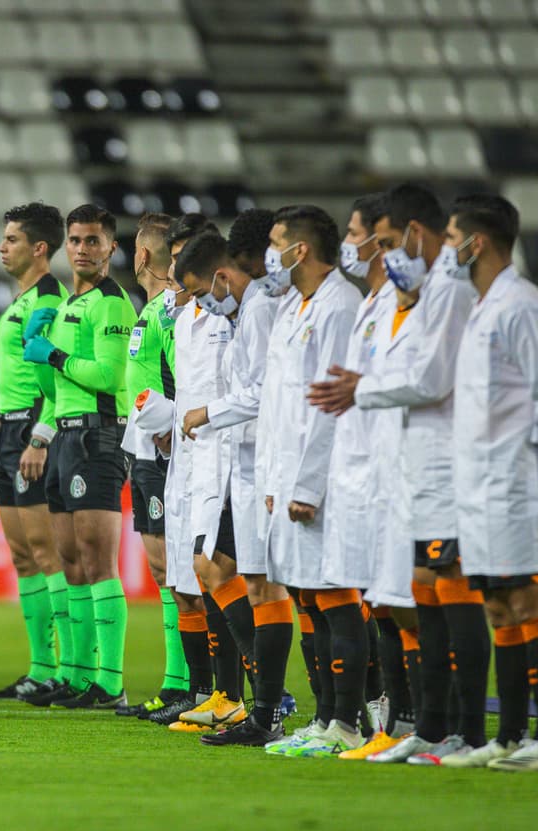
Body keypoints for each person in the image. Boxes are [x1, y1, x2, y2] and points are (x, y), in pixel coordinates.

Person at [311, 183, 479, 764]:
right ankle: (424, 726)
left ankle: (457, 727)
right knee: (401, 596)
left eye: (380, 240)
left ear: (412, 233)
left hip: (436, 467)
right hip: (392, 468)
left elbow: (430, 379)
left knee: (437, 596)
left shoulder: (448, 294)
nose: (374, 252)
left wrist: (363, 388)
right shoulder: (391, 301)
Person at [446, 194, 538, 771]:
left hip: (520, 480)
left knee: (531, 598)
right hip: (481, 485)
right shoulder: (483, 307)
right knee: (499, 605)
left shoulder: (523, 307)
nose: (446, 249)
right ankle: (510, 735)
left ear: (477, 243)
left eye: (452, 238)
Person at [175, 221, 291, 747]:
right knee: (216, 569)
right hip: (233, 462)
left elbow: (262, 392)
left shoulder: (262, 309)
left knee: (272, 584)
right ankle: (258, 698)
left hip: (260, 462)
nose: (202, 304)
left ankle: (270, 702)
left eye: (203, 292)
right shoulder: (247, 311)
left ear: (221, 275)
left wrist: (208, 413)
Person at [254, 204, 362, 757]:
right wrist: (274, 478)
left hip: (323, 481)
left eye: (276, 242)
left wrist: (307, 485)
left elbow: (330, 404)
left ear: (300, 250)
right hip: (288, 476)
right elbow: (280, 404)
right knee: (309, 600)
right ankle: (324, 720)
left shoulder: (341, 306)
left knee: (337, 597)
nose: (269, 253)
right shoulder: (295, 306)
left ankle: (348, 721)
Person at [20, 204, 136, 710]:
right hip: (65, 437)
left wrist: (56, 355)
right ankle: (76, 672)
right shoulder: (71, 302)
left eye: (94, 240)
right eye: (76, 240)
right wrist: (38, 346)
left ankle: (109, 681)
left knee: (96, 559)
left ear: (112, 247)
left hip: (98, 437)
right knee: (69, 560)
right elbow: (55, 387)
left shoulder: (113, 304)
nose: (83, 249)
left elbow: (109, 378)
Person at [0, 203, 70, 703]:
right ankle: (40, 667)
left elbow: (52, 377)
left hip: (32, 430)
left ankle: (68, 667)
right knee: (22, 556)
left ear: (39, 248)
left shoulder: (48, 299)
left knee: (46, 552)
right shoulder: (19, 300)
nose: (2, 246)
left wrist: (41, 434)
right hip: (6, 429)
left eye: (12, 239)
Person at [145, 213, 221, 730]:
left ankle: (251, 695)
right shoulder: (181, 317)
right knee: (184, 585)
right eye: (173, 260)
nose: (176, 270)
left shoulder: (227, 318)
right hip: (182, 462)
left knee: (222, 582)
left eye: (184, 259)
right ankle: (199, 693)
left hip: (219, 460)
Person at [113, 212, 190, 719]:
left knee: (179, 571)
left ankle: (189, 683)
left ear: (141, 256)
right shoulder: (152, 311)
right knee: (165, 570)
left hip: (166, 453)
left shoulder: (169, 312)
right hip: (142, 451)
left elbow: (186, 381)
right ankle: (179, 682)